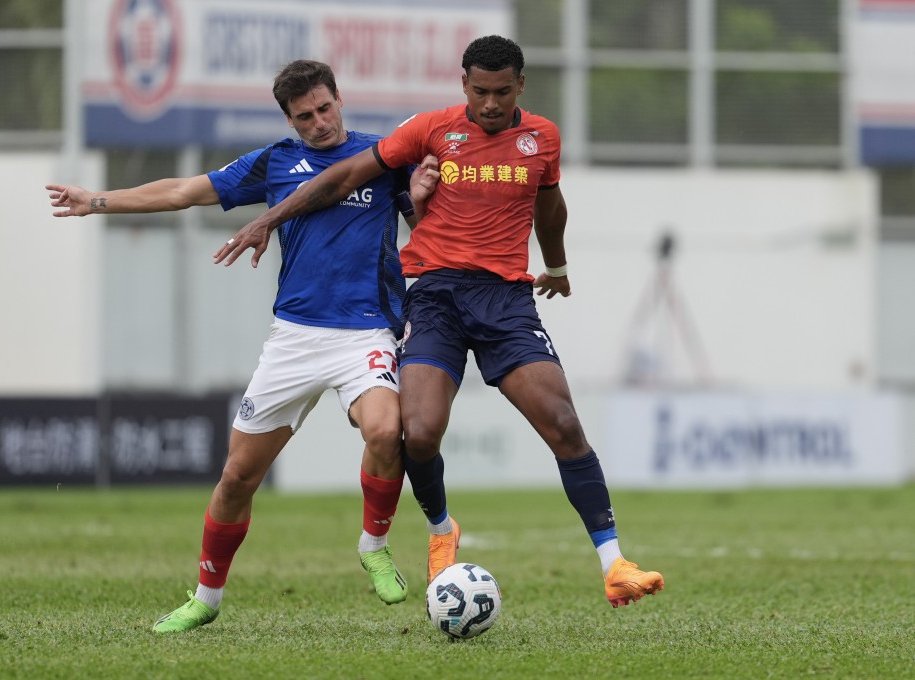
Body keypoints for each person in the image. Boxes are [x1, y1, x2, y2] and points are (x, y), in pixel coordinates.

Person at [214, 36, 664, 608]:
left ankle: (614, 563)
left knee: (562, 422)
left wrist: (557, 264)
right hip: (435, 298)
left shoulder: (542, 138)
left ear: (520, 86)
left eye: (503, 92)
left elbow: (550, 205)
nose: (492, 103)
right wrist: (269, 219)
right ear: (464, 86)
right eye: (481, 92)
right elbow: (343, 178)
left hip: (505, 301)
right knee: (419, 432)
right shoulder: (429, 130)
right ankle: (440, 531)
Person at [46, 59, 440, 632]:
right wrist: (97, 201)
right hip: (294, 339)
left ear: (338, 99)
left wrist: (424, 197)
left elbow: (426, 229)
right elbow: (183, 190)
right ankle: (206, 598)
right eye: (305, 116)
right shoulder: (275, 162)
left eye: (325, 108)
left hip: (366, 332)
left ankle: (373, 544)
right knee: (236, 478)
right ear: (289, 118)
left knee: (385, 430)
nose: (320, 123)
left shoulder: (382, 157)